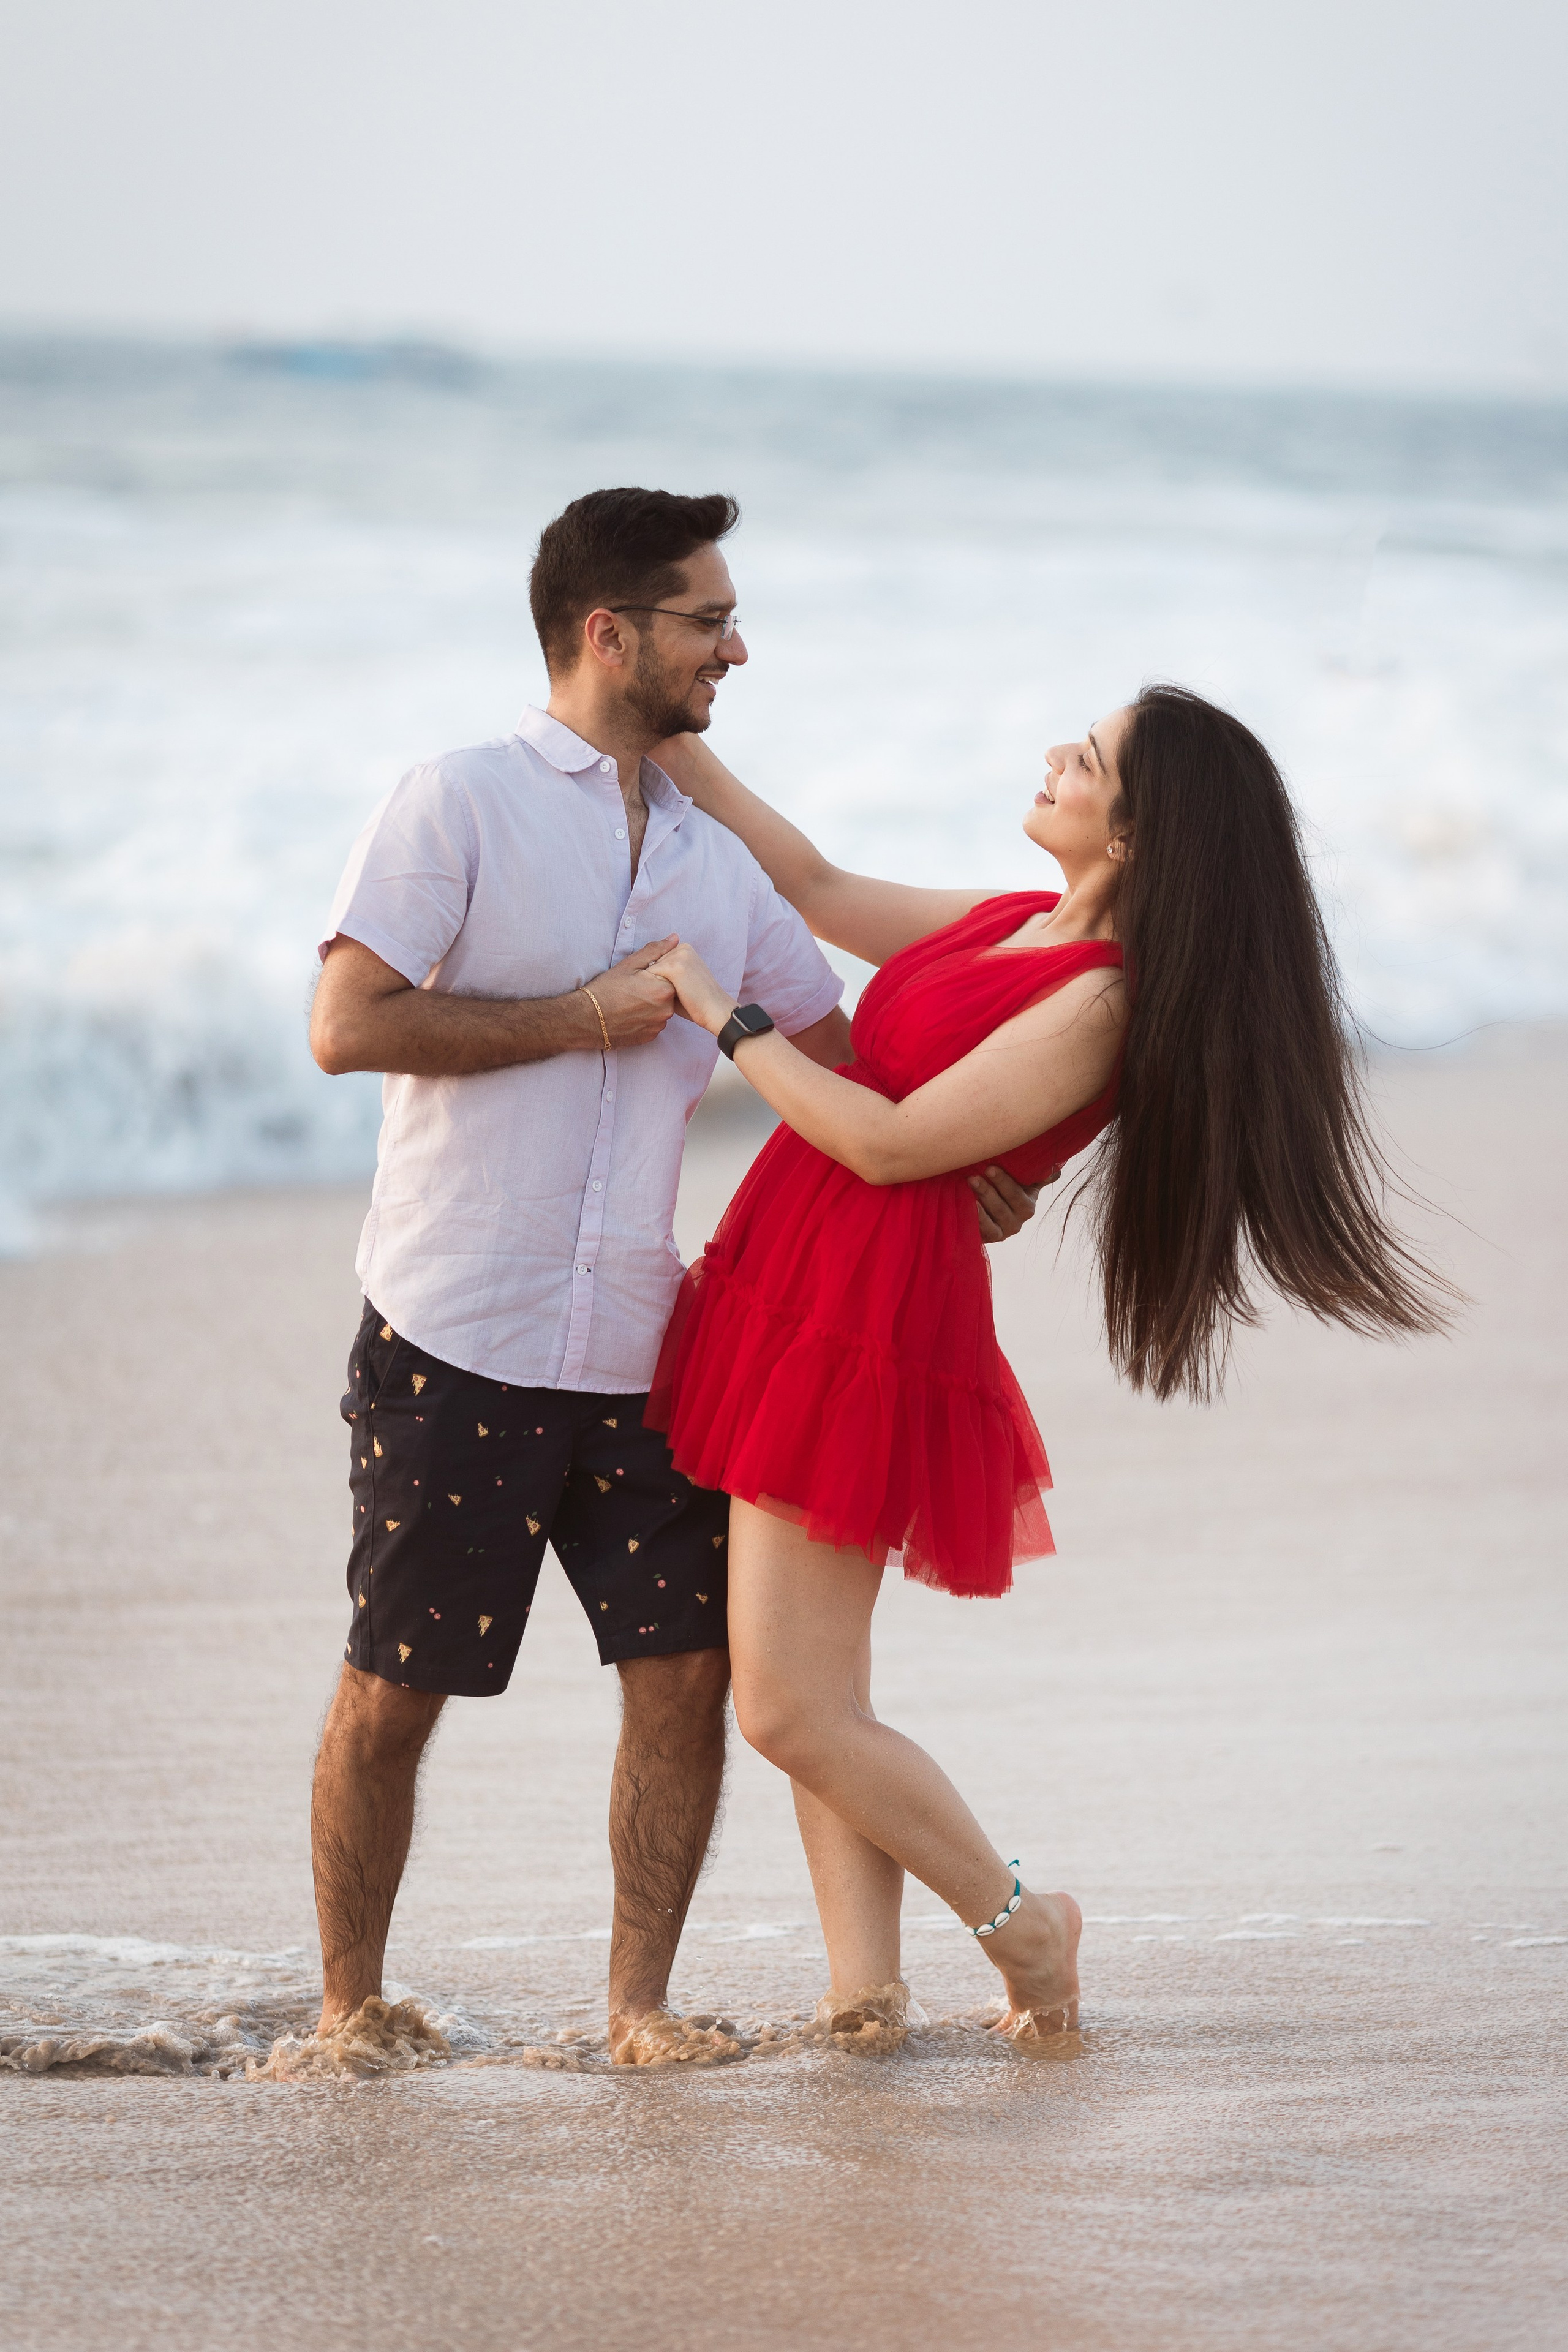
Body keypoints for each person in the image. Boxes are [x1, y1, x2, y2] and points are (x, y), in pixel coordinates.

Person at [306, 486, 1040, 2065]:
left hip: (646, 1344)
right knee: (395, 1692)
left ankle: (635, 2010)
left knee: (685, 1674)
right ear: (608, 632)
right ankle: (347, 2009)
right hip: (455, 1323)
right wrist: (579, 1017)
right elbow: (347, 1025)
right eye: (709, 621)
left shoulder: (716, 867)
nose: (735, 649)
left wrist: (963, 1154)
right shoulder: (458, 802)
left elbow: (839, 1062)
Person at [642, 687, 1447, 2045]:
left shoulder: (1100, 1002)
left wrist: (723, 1016)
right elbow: (816, 884)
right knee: (825, 1694)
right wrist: (673, 738)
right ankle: (863, 1999)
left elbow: (890, 1146)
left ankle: (1022, 1924)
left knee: (785, 1708)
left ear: (1134, 836)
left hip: (863, 1319)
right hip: (794, 1278)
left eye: (1085, 760)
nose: (1052, 761)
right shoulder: (1012, 919)